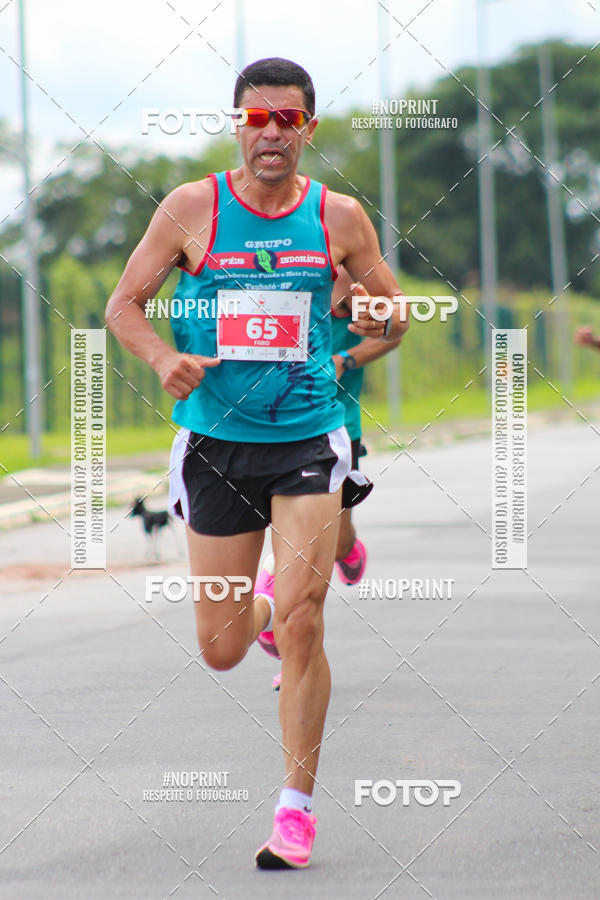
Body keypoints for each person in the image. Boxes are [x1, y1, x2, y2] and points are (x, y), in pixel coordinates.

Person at [105, 56, 409, 870]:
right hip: (214, 443)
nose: (271, 132)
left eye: (287, 119)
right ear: (238, 124)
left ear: (309, 128)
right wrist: (162, 357)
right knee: (223, 646)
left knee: (308, 615)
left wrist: (359, 302)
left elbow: (396, 315)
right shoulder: (191, 209)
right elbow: (122, 305)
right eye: (257, 118)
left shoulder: (339, 218)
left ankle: (297, 809)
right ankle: (261, 620)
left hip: (309, 438)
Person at [267, 265, 403, 691]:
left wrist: (346, 358)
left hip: (337, 423)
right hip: (275, 423)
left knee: (331, 543)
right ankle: (293, 655)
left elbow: (393, 331)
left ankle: (349, 547)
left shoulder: (351, 277)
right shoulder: (263, 267)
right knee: (295, 548)